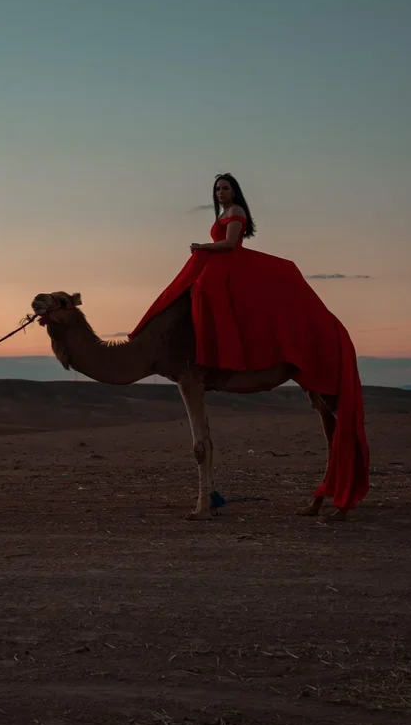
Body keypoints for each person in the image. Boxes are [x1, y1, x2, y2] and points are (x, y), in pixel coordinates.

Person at [130, 173, 370, 517]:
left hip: (229, 263)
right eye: (217, 189)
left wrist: (203, 247)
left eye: (225, 188)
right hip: (222, 266)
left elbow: (229, 246)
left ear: (235, 192)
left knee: (208, 295)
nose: (220, 192)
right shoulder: (222, 212)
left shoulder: (236, 211)